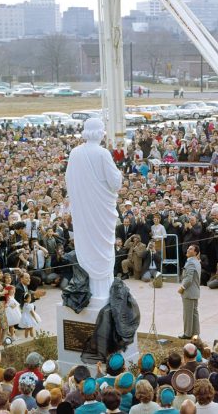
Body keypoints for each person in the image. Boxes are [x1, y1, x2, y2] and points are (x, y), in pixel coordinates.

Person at [66, 118, 124, 301]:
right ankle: (100, 292)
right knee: (102, 248)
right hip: (100, 211)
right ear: (100, 132)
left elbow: (69, 181)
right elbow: (115, 183)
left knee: (88, 245)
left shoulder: (75, 153)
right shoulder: (102, 153)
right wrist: (120, 174)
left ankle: (91, 291)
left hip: (84, 211)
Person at [179, 244, 201, 338]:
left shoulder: (191, 262)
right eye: (188, 248)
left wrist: (182, 287)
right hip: (195, 292)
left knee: (188, 314)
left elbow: (188, 278)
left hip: (189, 292)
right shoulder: (197, 261)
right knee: (194, 314)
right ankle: (195, 333)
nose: (188, 250)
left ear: (195, 252)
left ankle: (187, 334)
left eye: (191, 249)